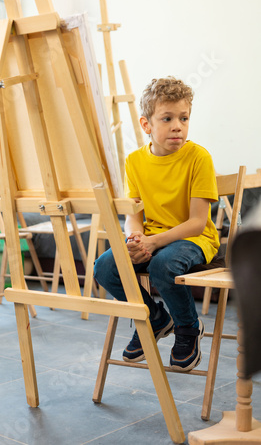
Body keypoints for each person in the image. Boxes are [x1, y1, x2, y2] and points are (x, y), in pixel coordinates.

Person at [94, 76, 220, 372]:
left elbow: (197, 224)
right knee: (105, 267)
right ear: (146, 124)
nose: (178, 125)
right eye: (167, 118)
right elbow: (133, 216)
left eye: (184, 118)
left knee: (162, 265)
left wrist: (153, 242)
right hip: (154, 239)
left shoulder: (198, 158)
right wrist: (135, 240)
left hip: (195, 240)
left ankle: (188, 326)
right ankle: (153, 317)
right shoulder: (135, 161)